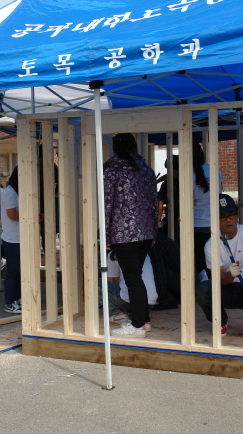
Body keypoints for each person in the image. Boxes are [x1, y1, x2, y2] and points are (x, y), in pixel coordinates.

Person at [104, 133, 158, 338]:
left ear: (115, 150)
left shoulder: (112, 172)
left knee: (132, 279)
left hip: (123, 234)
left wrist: (106, 236)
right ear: (135, 147)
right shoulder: (147, 170)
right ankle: (144, 320)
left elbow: (106, 205)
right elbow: (153, 204)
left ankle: (138, 325)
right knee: (137, 278)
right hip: (145, 233)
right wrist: (153, 230)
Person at [195, 194, 243, 337]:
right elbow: (220, 279)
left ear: (237, 215)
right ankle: (220, 321)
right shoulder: (211, 244)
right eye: (222, 216)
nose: (228, 220)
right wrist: (230, 274)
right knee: (203, 290)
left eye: (231, 214)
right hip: (227, 289)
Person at [100, 250, 156, 331]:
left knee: (97, 282)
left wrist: (114, 298)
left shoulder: (114, 254)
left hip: (132, 303)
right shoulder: (144, 253)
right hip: (149, 304)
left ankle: (119, 314)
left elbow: (116, 279)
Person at [192, 142, 224, 274]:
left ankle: (204, 283)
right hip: (216, 222)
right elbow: (221, 192)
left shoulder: (190, 173)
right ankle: (216, 282)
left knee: (200, 261)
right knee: (215, 258)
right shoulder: (214, 170)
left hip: (197, 223)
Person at [1, 166, 22, 313]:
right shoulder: (10, 192)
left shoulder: (19, 191)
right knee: (13, 271)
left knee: (20, 271)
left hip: (20, 237)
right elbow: (12, 214)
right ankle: (9, 302)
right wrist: (32, 214)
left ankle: (17, 298)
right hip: (12, 238)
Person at [157, 155, 180, 240]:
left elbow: (160, 201)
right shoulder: (189, 179)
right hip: (173, 219)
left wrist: (159, 221)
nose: (169, 173)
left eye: (170, 170)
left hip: (175, 220)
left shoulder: (168, 183)